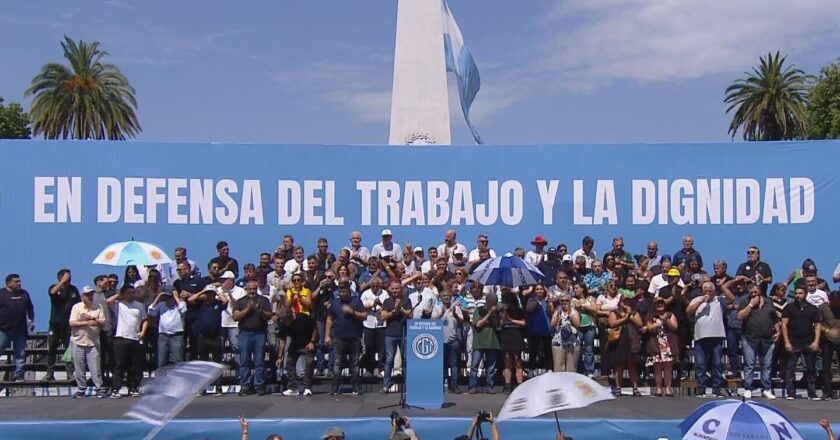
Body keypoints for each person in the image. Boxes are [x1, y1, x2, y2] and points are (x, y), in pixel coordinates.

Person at [728, 280, 779, 399]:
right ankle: (748, 388)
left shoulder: (768, 302)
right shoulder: (744, 301)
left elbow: (774, 318)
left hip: (766, 338)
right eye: (751, 292)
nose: (754, 294)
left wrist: (778, 331)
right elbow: (740, 316)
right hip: (749, 337)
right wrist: (751, 305)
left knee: (766, 365)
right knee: (749, 364)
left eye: (756, 292)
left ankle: (766, 389)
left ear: (760, 291)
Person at [106, 284, 148, 398]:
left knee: (134, 366)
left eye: (133, 292)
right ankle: (116, 389)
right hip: (121, 337)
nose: (131, 295)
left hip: (134, 338)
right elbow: (108, 301)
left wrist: (143, 332)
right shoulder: (119, 305)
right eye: (129, 292)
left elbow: (145, 320)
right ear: (124, 293)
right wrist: (119, 295)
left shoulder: (139, 305)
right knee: (119, 364)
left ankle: (132, 388)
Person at [325, 280, 367, 395]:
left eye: (344, 291)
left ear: (349, 291)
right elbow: (329, 319)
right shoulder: (335, 303)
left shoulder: (356, 302)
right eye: (340, 291)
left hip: (354, 337)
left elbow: (364, 316)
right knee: (337, 363)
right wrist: (327, 335)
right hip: (339, 337)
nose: (342, 293)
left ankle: (356, 388)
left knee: (354, 363)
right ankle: (335, 388)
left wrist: (352, 312)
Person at [686, 281, 727, 398]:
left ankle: (717, 389)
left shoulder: (719, 300)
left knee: (717, 363)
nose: (707, 293)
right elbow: (688, 311)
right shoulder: (697, 300)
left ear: (714, 291)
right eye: (705, 291)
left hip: (716, 336)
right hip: (700, 336)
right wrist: (701, 301)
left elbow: (731, 299)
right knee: (701, 364)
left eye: (710, 291)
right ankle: (701, 389)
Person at [781, 286, 821, 400]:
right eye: (796, 293)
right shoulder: (790, 307)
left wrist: (816, 341)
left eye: (800, 293)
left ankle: (812, 393)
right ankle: (790, 392)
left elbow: (817, 325)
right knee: (790, 367)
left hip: (808, 341)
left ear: (806, 294)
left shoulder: (813, 308)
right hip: (794, 341)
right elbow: (784, 324)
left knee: (810, 368)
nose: (798, 295)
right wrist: (787, 342)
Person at [233, 280, 273, 396]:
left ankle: (259, 385)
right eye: (250, 289)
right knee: (244, 361)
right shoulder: (241, 301)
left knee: (259, 361)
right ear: (246, 289)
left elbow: (269, 315)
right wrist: (248, 309)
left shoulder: (263, 300)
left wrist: (260, 311)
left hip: (259, 333)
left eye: (254, 289)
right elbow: (235, 316)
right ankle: (245, 386)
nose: (252, 291)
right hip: (245, 333)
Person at [43, 268, 80, 383]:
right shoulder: (54, 288)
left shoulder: (73, 290)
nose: (69, 279)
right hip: (55, 324)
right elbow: (52, 293)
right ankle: (49, 373)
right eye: (67, 277)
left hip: (68, 324)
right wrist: (62, 283)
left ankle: (69, 373)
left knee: (68, 350)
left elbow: (78, 304)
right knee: (52, 348)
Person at [68, 286, 106, 398]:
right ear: (82, 296)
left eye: (91, 295)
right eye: (87, 295)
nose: (90, 297)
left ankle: (98, 388)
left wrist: (91, 318)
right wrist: (86, 323)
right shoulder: (76, 307)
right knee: (79, 367)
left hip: (93, 341)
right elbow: (72, 323)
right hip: (78, 341)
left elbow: (102, 322)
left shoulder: (98, 307)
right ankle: (81, 388)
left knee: (95, 367)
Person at [607, 289, 643, 396]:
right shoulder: (615, 312)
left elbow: (640, 323)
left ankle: (635, 388)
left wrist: (629, 315)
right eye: (624, 301)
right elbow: (612, 323)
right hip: (620, 341)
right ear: (620, 301)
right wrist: (625, 318)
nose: (626, 303)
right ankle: (618, 387)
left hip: (632, 339)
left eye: (628, 301)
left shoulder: (634, 312)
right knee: (619, 364)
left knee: (632, 365)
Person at [432, 282, 466, 394]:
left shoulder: (455, 308)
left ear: (451, 297)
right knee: (441, 365)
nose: (446, 297)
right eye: (444, 296)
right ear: (440, 298)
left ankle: (454, 385)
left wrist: (455, 314)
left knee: (454, 364)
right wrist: (441, 313)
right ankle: (440, 385)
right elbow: (433, 321)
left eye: (448, 296)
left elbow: (461, 322)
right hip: (440, 341)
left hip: (453, 340)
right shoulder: (437, 307)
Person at [281, 297, 318, 397]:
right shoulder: (284, 324)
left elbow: (315, 328)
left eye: (287, 321)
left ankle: (307, 387)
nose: (286, 324)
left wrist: (312, 342)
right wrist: (280, 356)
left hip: (307, 343)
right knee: (289, 362)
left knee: (309, 362)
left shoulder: (302, 318)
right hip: (295, 344)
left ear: (291, 317)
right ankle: (292, 387)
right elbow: (282, 340)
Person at [0, 274, 34, 382]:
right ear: (9, 283)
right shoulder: (1, 294)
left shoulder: (24, 294)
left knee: (20, 355)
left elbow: (30, 308)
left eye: (19, 281)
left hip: (20, 330)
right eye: (16, 281)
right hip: (4, 330)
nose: (19, 283)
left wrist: (31, 321)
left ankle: (18, 375)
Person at [380, 280, 413, 393]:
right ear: (390, 289)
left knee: (405, 359)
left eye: (397, 289)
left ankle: (408, 384)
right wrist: (394, 311)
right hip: (390, 334)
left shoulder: (406, 300)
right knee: (389, 359)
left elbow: (411, 314)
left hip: (404, 333)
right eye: (393, 289)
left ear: (401, 289)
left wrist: (401, 308)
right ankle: (386, 384)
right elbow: (383, 316)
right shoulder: (387, 301)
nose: (395, 291)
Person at [644, 297, 678, 397]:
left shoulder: (670, 314)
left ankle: (668, 388)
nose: (660, 305)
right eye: (658, 303)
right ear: (654, 305)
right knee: (657, 367)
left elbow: (675, 327)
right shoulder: (651, 316)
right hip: (656, 343)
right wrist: (660, 323)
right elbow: (649, 328)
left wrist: (666, 321)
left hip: (668, 343)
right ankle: (658, 388)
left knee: (668, 367)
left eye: (661, 303)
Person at [147, 286, 187, 369]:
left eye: (170, 296)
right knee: (161, 361)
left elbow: (183, 310)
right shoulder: (161, 305)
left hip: (176, 336)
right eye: (166, 296)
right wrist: (158, 297)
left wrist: (176, 297)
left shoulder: (180, 304)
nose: (168, 299)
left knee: (177, 361)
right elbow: (150, 312)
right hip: (163, 336)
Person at [469, 292, 500, 394]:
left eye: (495, 302)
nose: (494, 304)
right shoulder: (479, 310)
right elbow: (478, 324)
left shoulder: (497, 311)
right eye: (492, 302)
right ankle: (473, 386)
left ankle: (489, 385)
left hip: (492, 341)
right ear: (488, 301)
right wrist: (489, 314)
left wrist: (495, 315)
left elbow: (497, 325)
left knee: (491, 366)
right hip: (479, 341)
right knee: (474, 365)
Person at [499, 289, 525, 395]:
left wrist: (511, 319)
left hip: (516, 336)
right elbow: (500, 325)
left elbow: (523, 323)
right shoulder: (501, 311)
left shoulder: (519, 310)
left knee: (518, 362)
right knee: (507, 363)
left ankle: (520, 384)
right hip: (506, 337)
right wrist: (505, 313)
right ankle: (507, 385)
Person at [525, 283, 552, 372]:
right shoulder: (531, 300)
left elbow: (550, 311)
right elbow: (529, 309)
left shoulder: (547, 300)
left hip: (546, 330)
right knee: (533, 352)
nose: (539, 291)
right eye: (537, 289)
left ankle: (548, 370)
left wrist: (549, 300)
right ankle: (531, 371)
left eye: (541, 289)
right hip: (534, 330)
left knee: (547, 352)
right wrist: (537, 300)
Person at [551, 293, 580, 372]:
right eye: (562, 300)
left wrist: (569, 312)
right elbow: (552, 325)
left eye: (566, 300)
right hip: (558, 342)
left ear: (570, 301)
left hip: (572, 343)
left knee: (571, 369)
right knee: (558, 369)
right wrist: (557, 317)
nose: (564, 302)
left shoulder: (574, 312)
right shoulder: (557, 312)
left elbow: (577, 324)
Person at [819, 291, 840, 400]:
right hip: (827, 340)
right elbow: (818, 323)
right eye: (834, 301)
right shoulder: (823, 308)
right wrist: (827, 330)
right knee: (825, 367)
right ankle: (827, 392)